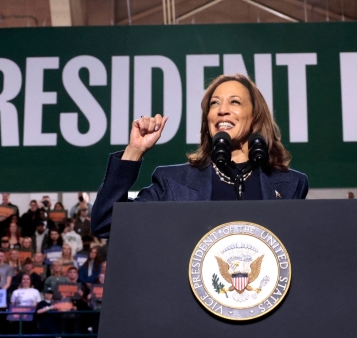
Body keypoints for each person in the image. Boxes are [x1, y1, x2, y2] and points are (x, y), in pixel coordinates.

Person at [90, 73, 309, 237]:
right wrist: (134, 150)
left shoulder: (290, 184)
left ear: (255, 116)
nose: (222, 110)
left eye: (235, 102)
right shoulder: (174, 184)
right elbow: (107, 222)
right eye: (215, 103)